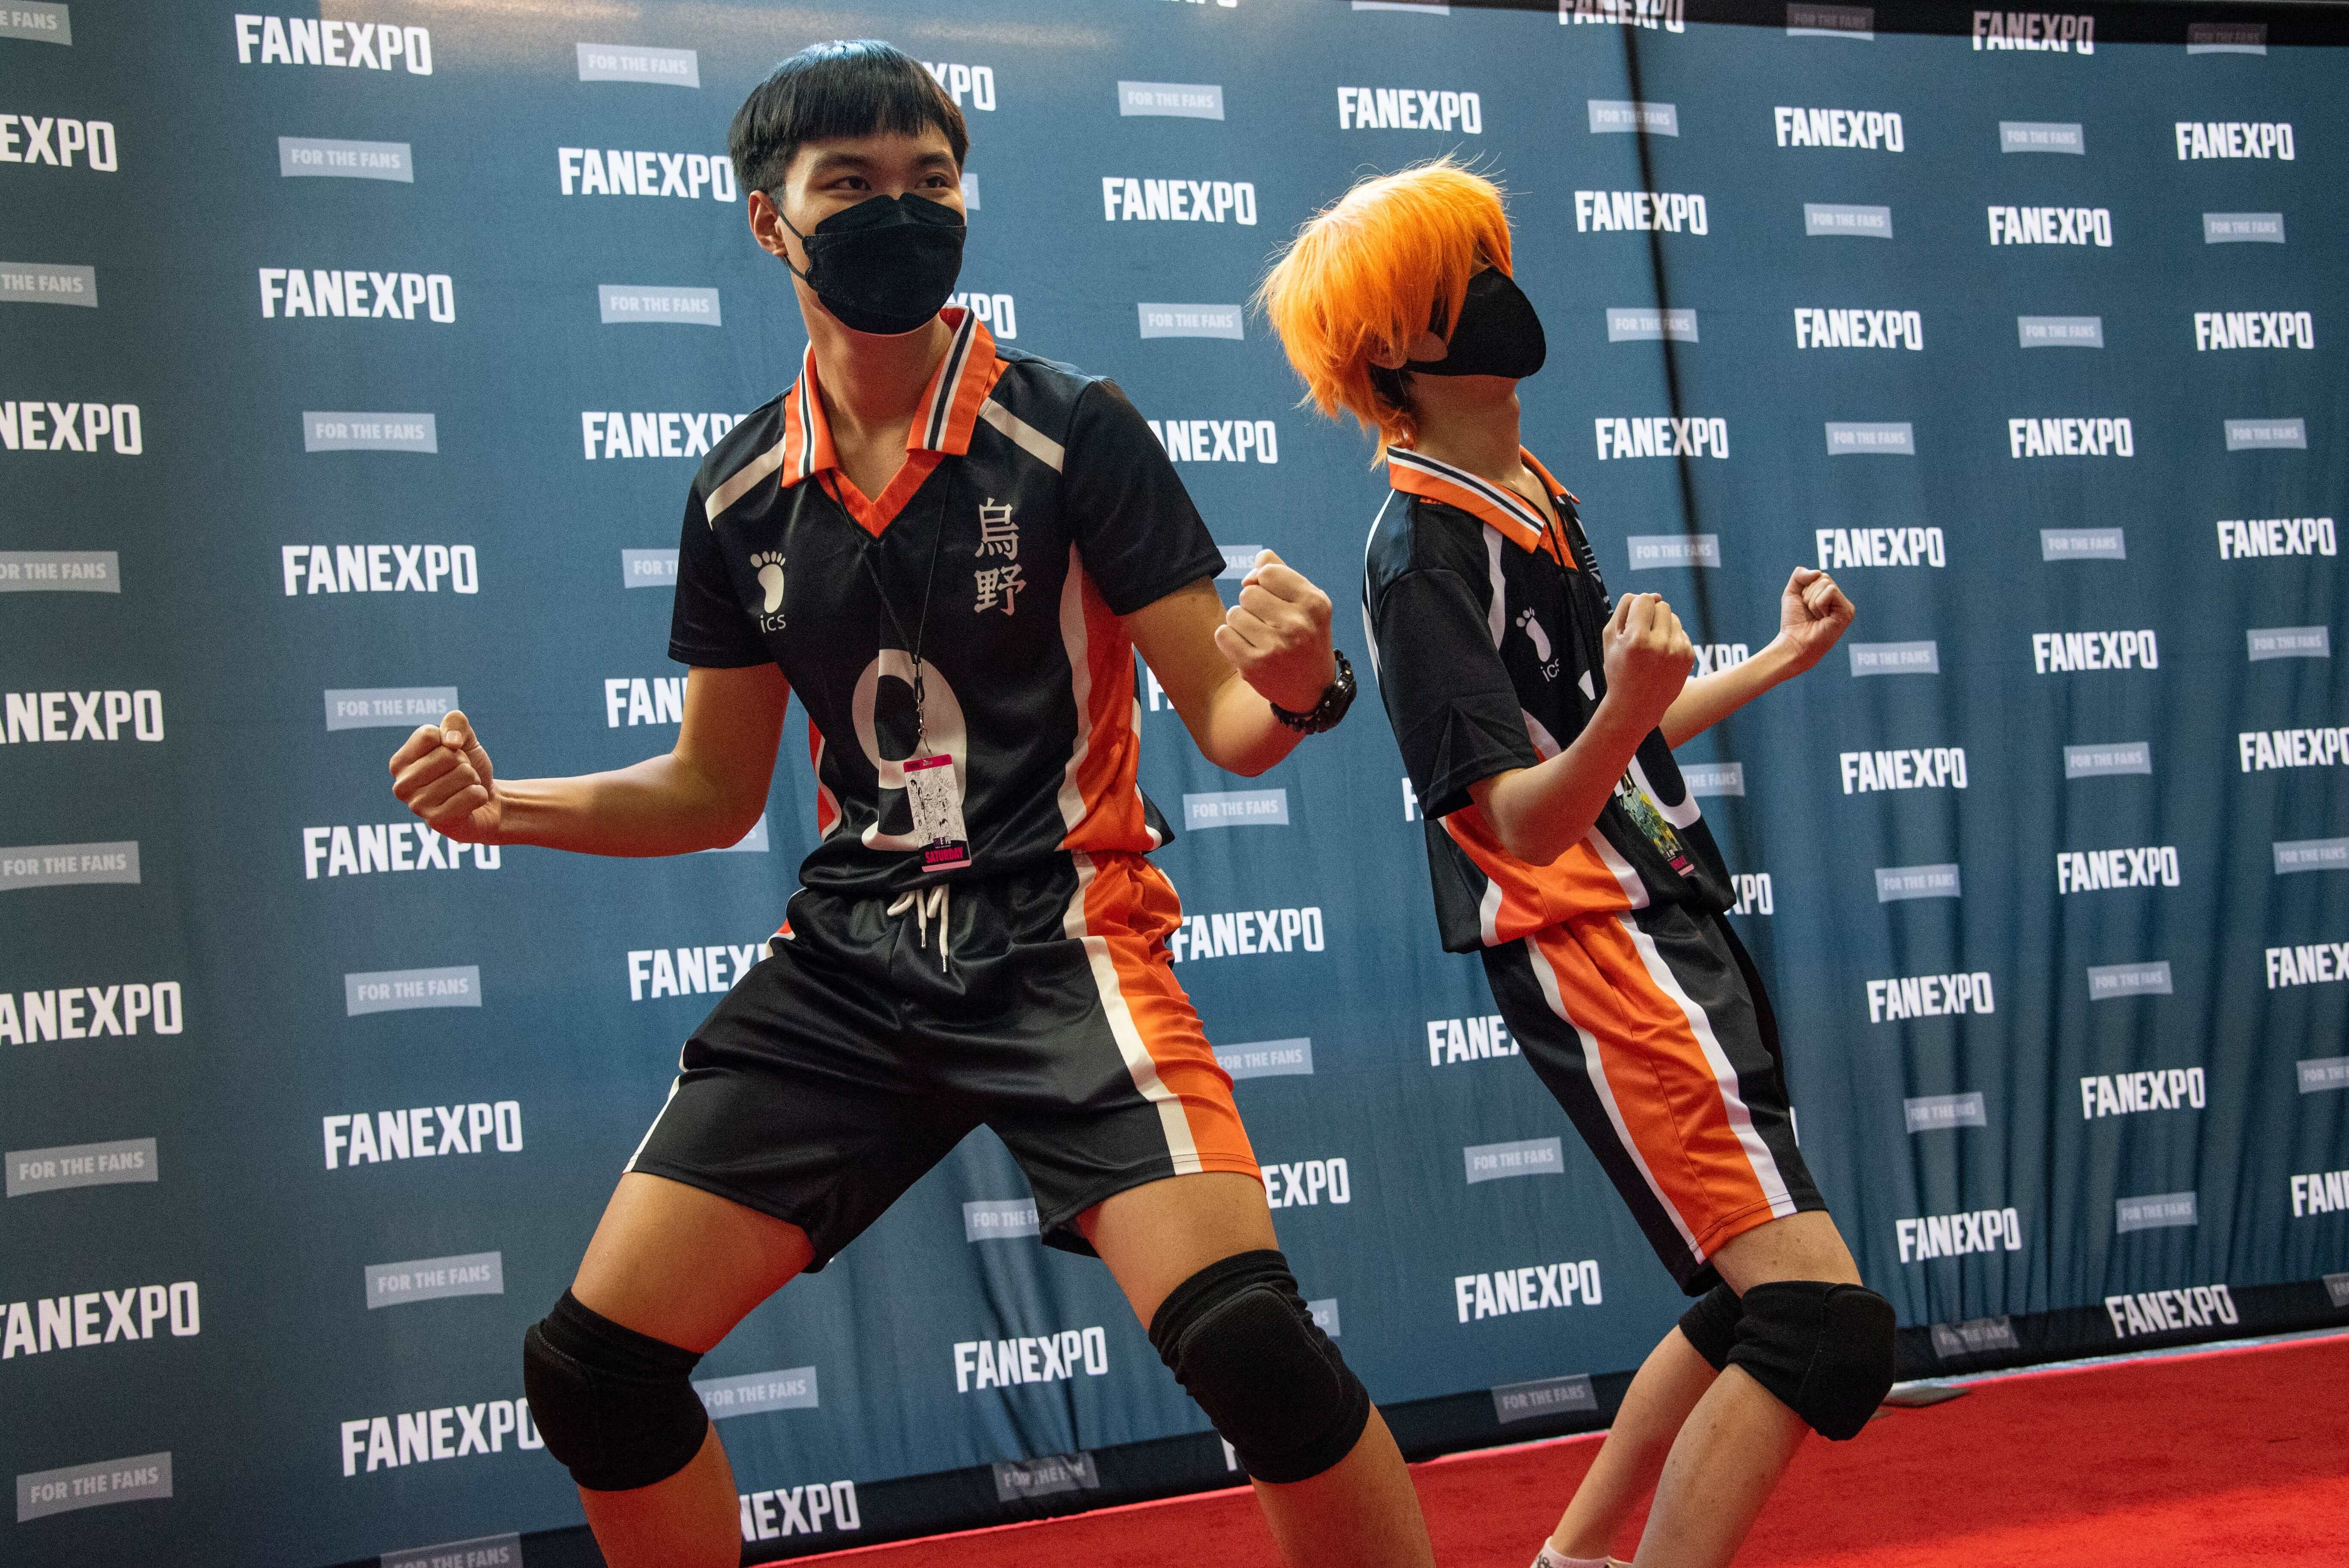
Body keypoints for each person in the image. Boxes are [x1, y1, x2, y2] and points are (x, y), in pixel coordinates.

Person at [387, 41, 1432, 1568]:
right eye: (852, 185)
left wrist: (1303, 680)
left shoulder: (1073, 425)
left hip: (1060, 940)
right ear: (771, 222)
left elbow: (1223, 717)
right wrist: (507, 806)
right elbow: (707, 787)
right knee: (592, 1369)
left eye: (930, 181)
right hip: (852, 965)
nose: (900, 209)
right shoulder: (739, 489)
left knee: (1253, 1348)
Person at [1258, 159, 1886, 1568]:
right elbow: (1514, 820)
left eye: (1490, 251)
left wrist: (1770, 662)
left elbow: (1621, 731)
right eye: (1453, 276)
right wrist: (1620, 707)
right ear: (1394, 350)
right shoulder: (1420, 549)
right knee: (1817, 1328)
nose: (1494, 287)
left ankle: (1572, 1557)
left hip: (1664, 904)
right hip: (1588, 936)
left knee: (1745, 1303)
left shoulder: (1530, 487)